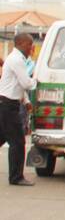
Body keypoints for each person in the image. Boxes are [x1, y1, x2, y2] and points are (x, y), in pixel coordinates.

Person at [0, 32, 38, 186]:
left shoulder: (17, 59)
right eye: (30, 44)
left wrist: (27, 101)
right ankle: (16, 177)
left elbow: (18, 85)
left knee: (3, 137)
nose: (31, 48)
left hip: (7, 103)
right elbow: (26, 83)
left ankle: (16, 175)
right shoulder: (17, 60)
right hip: (8, 105)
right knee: (17, 142)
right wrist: (38, 78)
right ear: (21, 44)